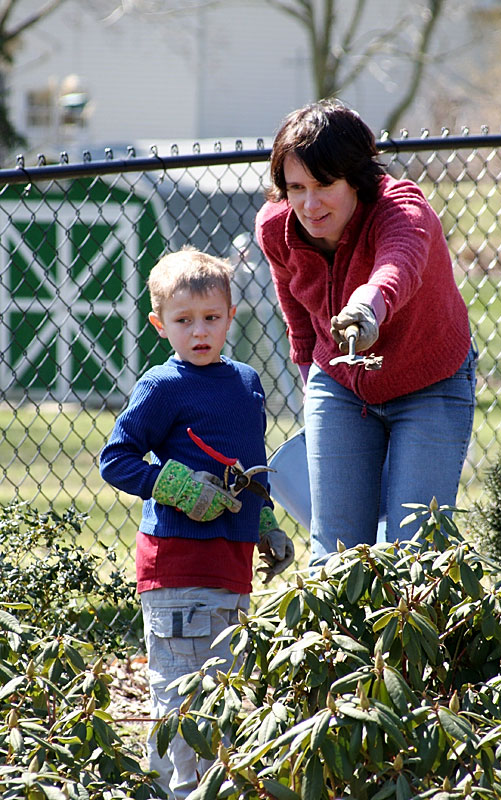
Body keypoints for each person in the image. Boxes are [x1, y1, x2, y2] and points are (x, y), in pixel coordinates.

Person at [99, 246, 294, 799]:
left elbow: (245, 467)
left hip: (231, 568)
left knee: (221, 696)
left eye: (211, 318)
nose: (200, 331)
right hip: (178, 567)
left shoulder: (246, 383)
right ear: (161, 325)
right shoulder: (163, 385)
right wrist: (180, 488)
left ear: (232, 315)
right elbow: (117, 458)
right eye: (184, 321)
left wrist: (264, 524)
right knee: (184, 700)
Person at [255, 99, 477, 565]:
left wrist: (367, 309)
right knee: (335, 553)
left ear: (356, 178)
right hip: (338, 384)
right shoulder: (277, 228)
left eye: (324, 184)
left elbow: (399, 265)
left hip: (429, 382)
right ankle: (333, 640)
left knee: (416, 552)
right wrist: (311, 389)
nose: (309, 205)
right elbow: (297, 318)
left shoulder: (401, 210)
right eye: (296, 187)